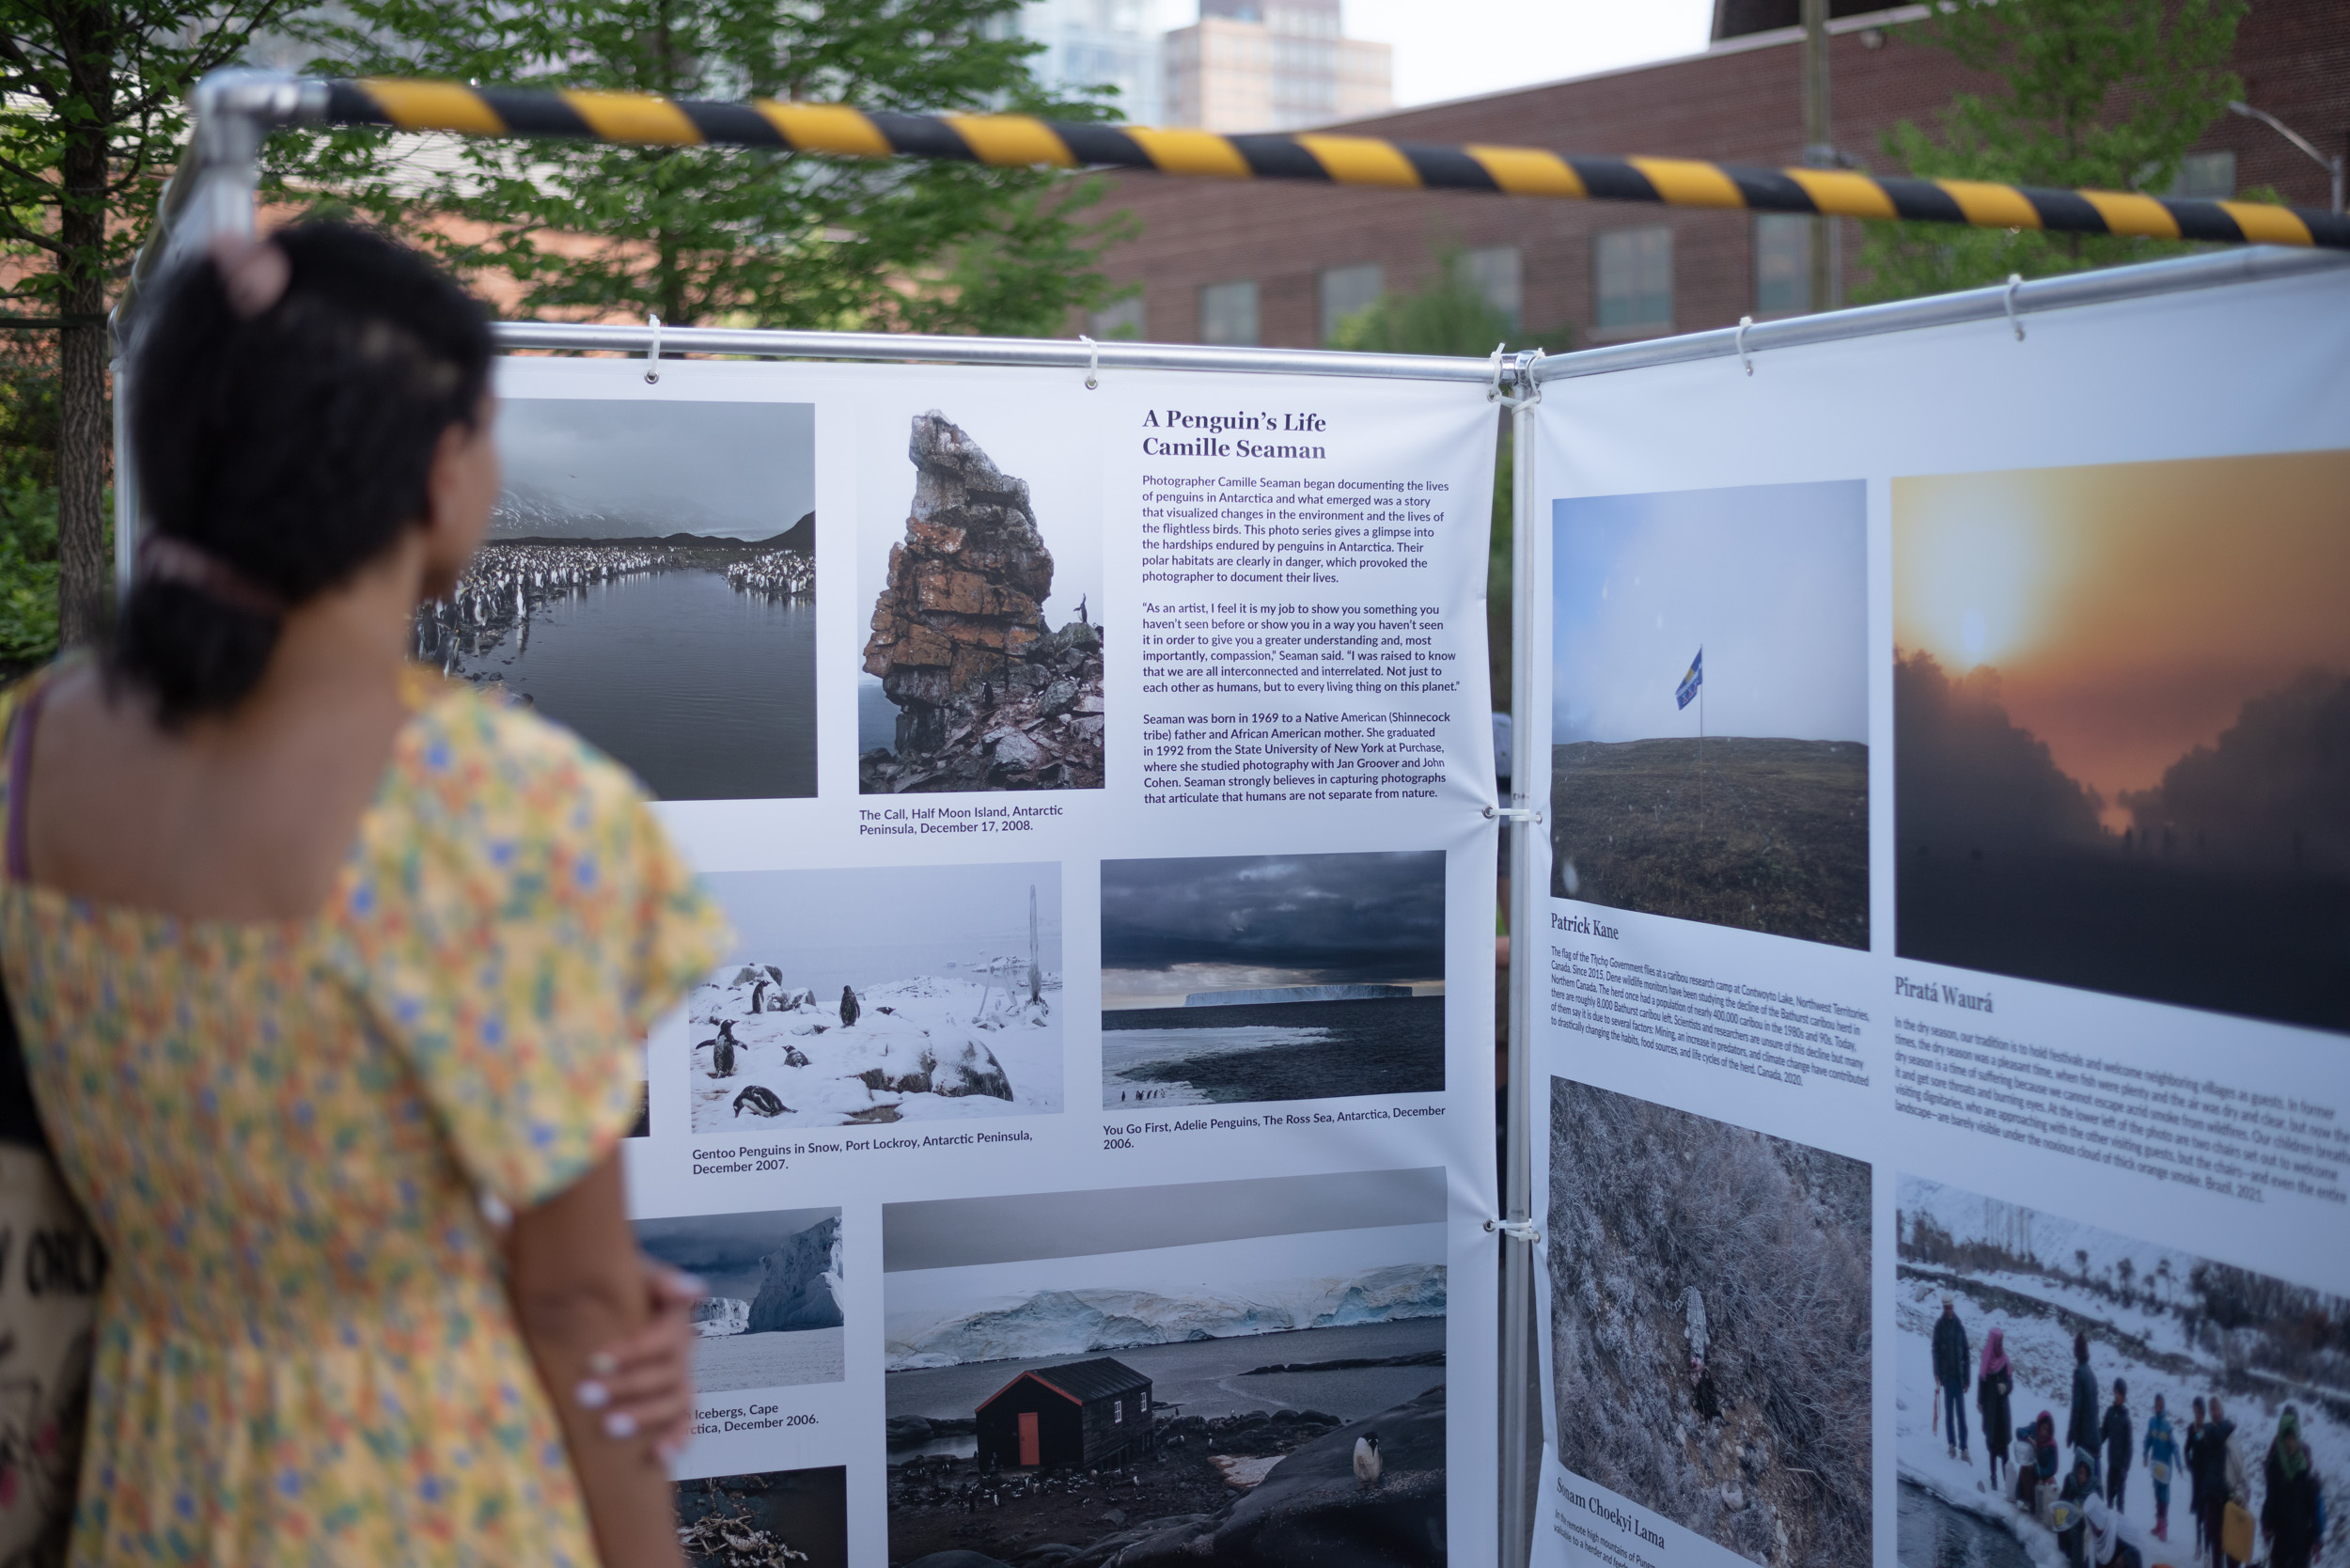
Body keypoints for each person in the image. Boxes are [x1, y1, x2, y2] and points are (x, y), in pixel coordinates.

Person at [0, 226, 732, 1563]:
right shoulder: (500, 808)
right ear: (443, 465)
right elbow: (579, 1311)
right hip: (424, 1486)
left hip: (153, 1472)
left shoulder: (30, 749)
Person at [2263, 1405, 2324, 1568]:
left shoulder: (2305, 1470)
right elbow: (2271, 1499)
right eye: (2286, 1438)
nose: (2289, 1443)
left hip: (2300, 1545)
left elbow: (2313, 1507)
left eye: (2293, 1438)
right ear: (2281, 1438)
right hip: (2280, 1540)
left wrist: (2316, 1538)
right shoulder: (2275, 1466)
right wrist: (2266, 1524)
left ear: (2298, 1437)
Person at [2200, 1395, 2243, 1568]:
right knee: (2216, 1545)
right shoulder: (2208, 1430)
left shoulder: (2231, 1440)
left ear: (2222, 1410)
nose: (2215, 1412)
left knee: (2232, 1547)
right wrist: (2228, 1425)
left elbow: (2238, 1464)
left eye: (2218, 1408)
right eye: (2212, 1409)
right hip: (2213, 1497)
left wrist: (2241, 1491)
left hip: (2229, 1497)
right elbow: (2216, 1437)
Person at [1933, 1294, 1972, 1463]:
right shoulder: (1939, 1326)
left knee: (1961, 1415)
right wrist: (1936, 1372)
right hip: (1947, 1378)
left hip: (1959, 1378)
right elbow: (1935, 1350)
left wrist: (1968, 1378)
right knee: (1949, 1414)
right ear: (1943, 1307)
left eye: (1950, 1307)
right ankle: (1951, 1445)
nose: (1948, 1310)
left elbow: (1966, 1352)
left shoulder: (1959, 1326)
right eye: (1946, 1307)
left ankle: (1964, 1448)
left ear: (1953, 1307)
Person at [1979, 1325, 2014, 1494]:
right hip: (1991, 1411)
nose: (2001, 1345)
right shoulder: (1987, 1360)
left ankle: (2007, 1484)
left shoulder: (2005, 1360)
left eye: (2002, 1342)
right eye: (1999, 1342)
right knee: (1992, 1447)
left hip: (2002, 1412)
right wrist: (1980, 1402)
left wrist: (2005, 1388)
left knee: (2005, 1450)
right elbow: (1982, 1382)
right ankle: (1993, 1479)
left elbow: (2010, 1383)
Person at [2069, 1332, 2104, 1489]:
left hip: (2084, 1438)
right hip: (2094, 1437)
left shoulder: (2079, 1374)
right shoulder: (2091, 1374)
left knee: (2081, 1480)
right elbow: (2096, 1409)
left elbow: (2077, 1408)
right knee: (2095, 1480)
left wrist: (2072, 1433)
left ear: (2076, 1352)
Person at [2145, 1391, 2179, 1542]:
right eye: (2156, 1405)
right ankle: (2158, 1523)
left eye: (2160, 1405)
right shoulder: (2152, 1422)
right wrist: (2145, 1454)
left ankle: (2164, 1527)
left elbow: (2174, 1445)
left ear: (2163, 1406)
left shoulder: (2167, 1426)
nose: (2158, 1407)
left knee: (2164, 1498)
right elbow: (2148, 1440)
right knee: (2157, 1495)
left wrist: (2178, 1461)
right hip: (2155, 1466)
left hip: (2165, 1468)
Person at [2085, 1488, 2145, 1568]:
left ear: (2099, 1518)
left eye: (2093, 1523)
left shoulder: (2117, 1528)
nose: (2092, 1527)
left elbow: (2137, 1552)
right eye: (2090, 1523)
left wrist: (2122, 1560)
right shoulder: (2095, 1541)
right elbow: (2092, 1562)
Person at [2018, 1411, 2060, 1513]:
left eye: (2047, 1430)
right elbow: (2019, 1432)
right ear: (2039, 1427)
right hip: (2028, 1470)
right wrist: (2029, 1439)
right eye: (2043, 1428)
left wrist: (2036, 1469)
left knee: (2045, 1489)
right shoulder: (2033, 1429)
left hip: (2042, 1477)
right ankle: (2024, 1500)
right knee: (2024, 1470)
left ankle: (2034, 1505)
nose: (2044, 1432)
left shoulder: (2051, 1447)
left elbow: (2052, 1469)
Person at [2060, 1451, 2098, 1568]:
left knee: (2079, 1532)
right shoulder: (2070, 1480)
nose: (2082, 1477)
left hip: (2085, 1525)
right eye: (2080, 1472)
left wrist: (2083, 1511)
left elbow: (2097, 1514)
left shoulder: (2094, 1488)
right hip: (2070, 1519)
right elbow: (2062, 1500)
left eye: (2086, 1475)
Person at [2103, 1378, 2134, 1511]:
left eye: (2120, 1393)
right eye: (2115, 1392)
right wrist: (2094, 1442)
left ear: (2123, 1396)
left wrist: (2125, 1467)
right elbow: (2103, 1432)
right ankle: (2109, 1524)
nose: (2117, 1396)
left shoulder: (2126, 1419)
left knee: (2120, 1501)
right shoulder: (2109, 1412)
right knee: (2109, 1496)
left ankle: (2120, 1528)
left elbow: (2129, 1446)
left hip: (2121, 1466)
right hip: (2112, 1463)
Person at [2186, 1396, 2212, 1554]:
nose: (2197, 1415)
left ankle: (2208, 1547)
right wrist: (2189, 1464)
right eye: (2195, 1412)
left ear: (2203, 1412)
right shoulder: (2192, 1428)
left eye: (2199, 1412)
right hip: (2196, 1475)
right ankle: (2199, 1544)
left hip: (2208, 1476)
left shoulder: (2209, 1429)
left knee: (2207, 1511)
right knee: (2198, 1512)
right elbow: (2186, 1448)